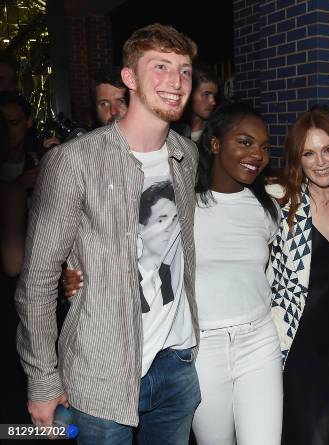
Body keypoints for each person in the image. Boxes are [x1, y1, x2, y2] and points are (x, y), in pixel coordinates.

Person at [14, 23, 201, 444]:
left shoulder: (184, 155)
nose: (176, 81)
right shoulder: (74, 162)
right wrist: (42, 380)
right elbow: (38, 280)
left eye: (185, 70)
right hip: (102, 372)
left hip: (177, 364)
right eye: (160, 67)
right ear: (129, 77)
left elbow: (181, 249)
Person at [266, 107, 329, 444]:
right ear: (298, 159)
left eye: (328, 149)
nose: (320, 161)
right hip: (296, 349)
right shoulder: (280, 202)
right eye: (308, 153)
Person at [189, 100, 282, 445]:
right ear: (214, 144)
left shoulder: (267, 207)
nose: (256, 153)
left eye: (263, 146)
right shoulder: (185, 205)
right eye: (244, 142)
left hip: (259, 342)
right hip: (203, 348)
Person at [173, 62, 219, 145]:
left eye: (214, 96)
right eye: (206, 94)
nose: (213, 102)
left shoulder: (217, 130)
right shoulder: (172, 131)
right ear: (190, 94)